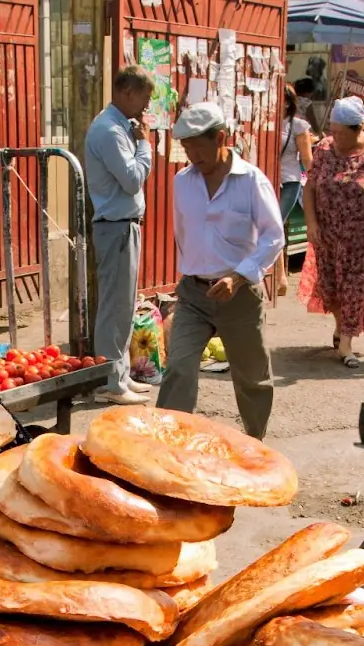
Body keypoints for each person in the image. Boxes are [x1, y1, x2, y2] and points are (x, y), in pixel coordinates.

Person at [157, 102, 283, 440]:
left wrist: (239, 275)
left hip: (239, 294)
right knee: (179, 369)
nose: (192, 154)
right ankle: (169, 444)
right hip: (194, 294)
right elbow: (186, 235)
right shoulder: (182, 182)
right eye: (186, 146)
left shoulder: (252, 181)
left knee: (252, 378)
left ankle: (256, 446)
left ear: (221, 139)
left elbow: (274, 236)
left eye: (199, 145)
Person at [300, 96, 364, 368]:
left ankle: (346, 343)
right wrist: (311, 223)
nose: (335, 137)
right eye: (333, 131)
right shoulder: (324, 148)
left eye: (341, 133)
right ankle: (341, 325)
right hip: (328, 234)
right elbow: (309, 187)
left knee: (355, 286)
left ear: (357, 129)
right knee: (331, 285)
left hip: (363, 237)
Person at [84, 66, 156, 405]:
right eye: (145, 97)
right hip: (114, 225)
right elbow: (131, 179)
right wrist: (145, 146)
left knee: (124, 306)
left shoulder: (119, 126)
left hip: (123, 224)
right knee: (114, 306)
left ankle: (120, 375)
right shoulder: (109, 130)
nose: (146, 105)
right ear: (127, 92)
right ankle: (111, 382)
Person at [276, 86, 313, 296]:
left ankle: (280, 276)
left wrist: (316, 185)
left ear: (287, 102)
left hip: (289, 181)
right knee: (270, 225)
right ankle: (278, 277)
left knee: (275, 224)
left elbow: (307, 158)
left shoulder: (298, 126)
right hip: (268, 180)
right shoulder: (266, 122)